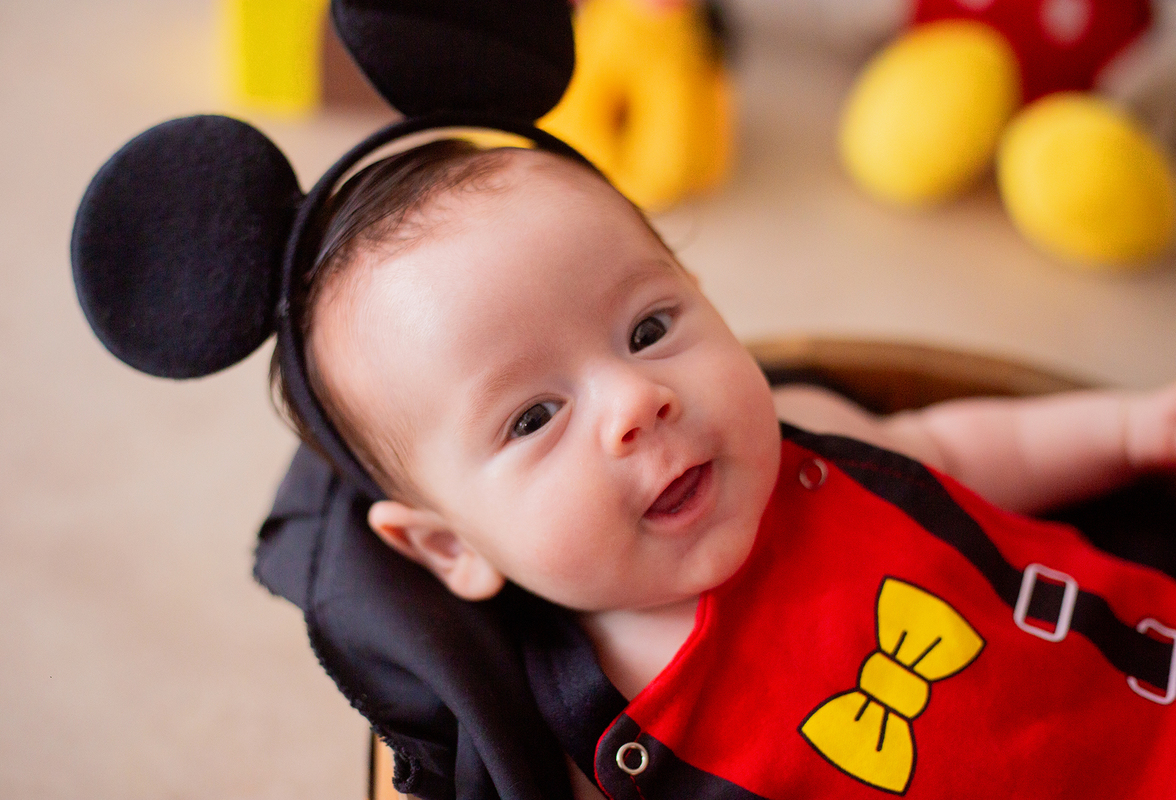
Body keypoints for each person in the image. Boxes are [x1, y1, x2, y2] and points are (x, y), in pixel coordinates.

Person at [271, 137, 1176, 799]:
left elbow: (975, 452)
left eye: (650, 329)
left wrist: (1134, 430)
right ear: (448, 547)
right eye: (535, 417)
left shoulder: (808, 438)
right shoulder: (588, 737)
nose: (636, 402)